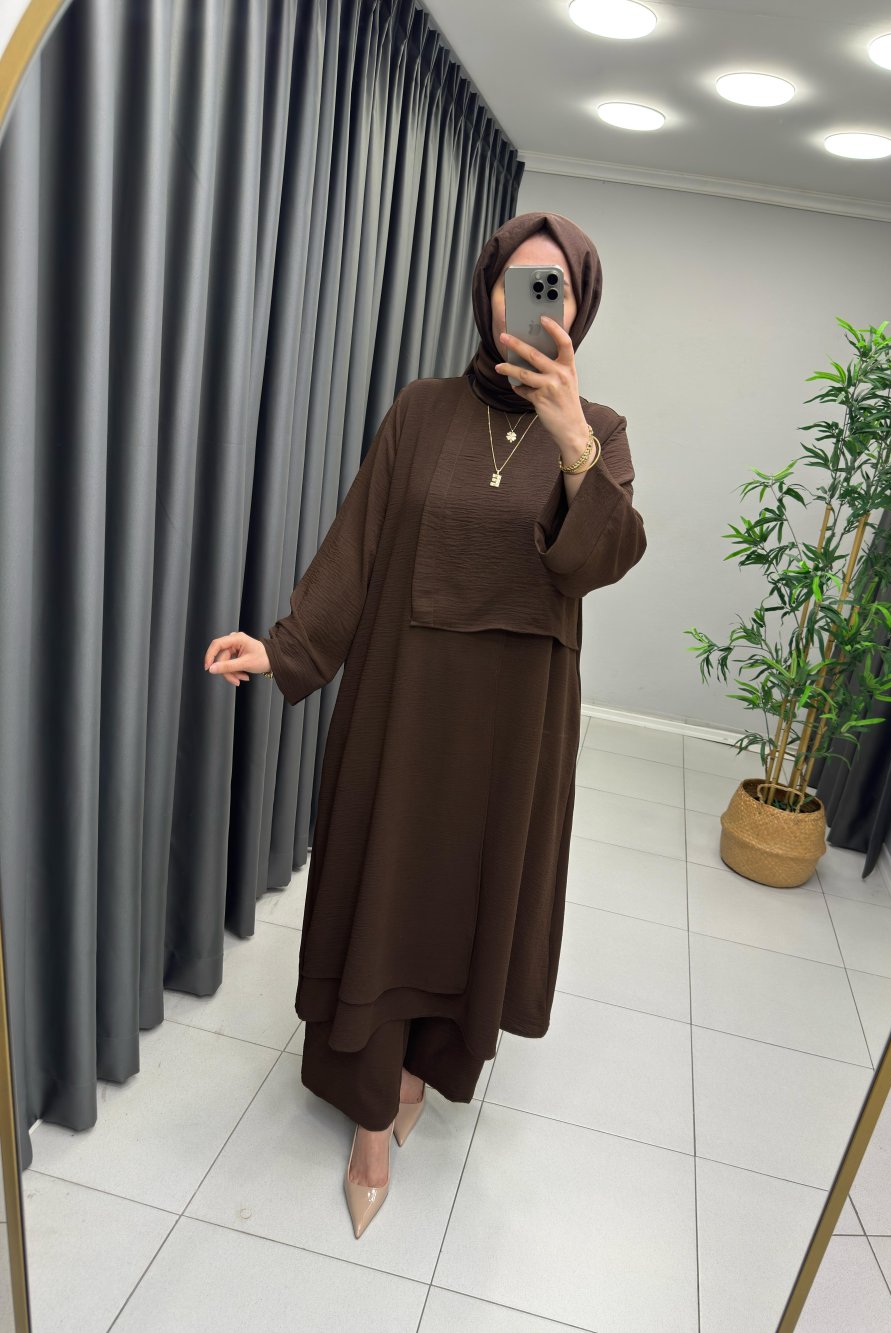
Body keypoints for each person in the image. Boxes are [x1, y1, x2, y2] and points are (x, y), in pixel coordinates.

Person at [203, 211, 647, 1239]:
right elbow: (359, 542)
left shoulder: (603, 430)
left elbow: (602, 559)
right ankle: (370, 1117)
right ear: (485, 291)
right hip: (404, 703)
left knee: (469, 898)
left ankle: (419, 1071)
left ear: (579, 306)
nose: (530, 303)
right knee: (387, 890)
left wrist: (572, 438)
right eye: (514, 282)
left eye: (553, 287)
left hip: (516, 723)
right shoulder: (421, 408)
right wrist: (286, 645)